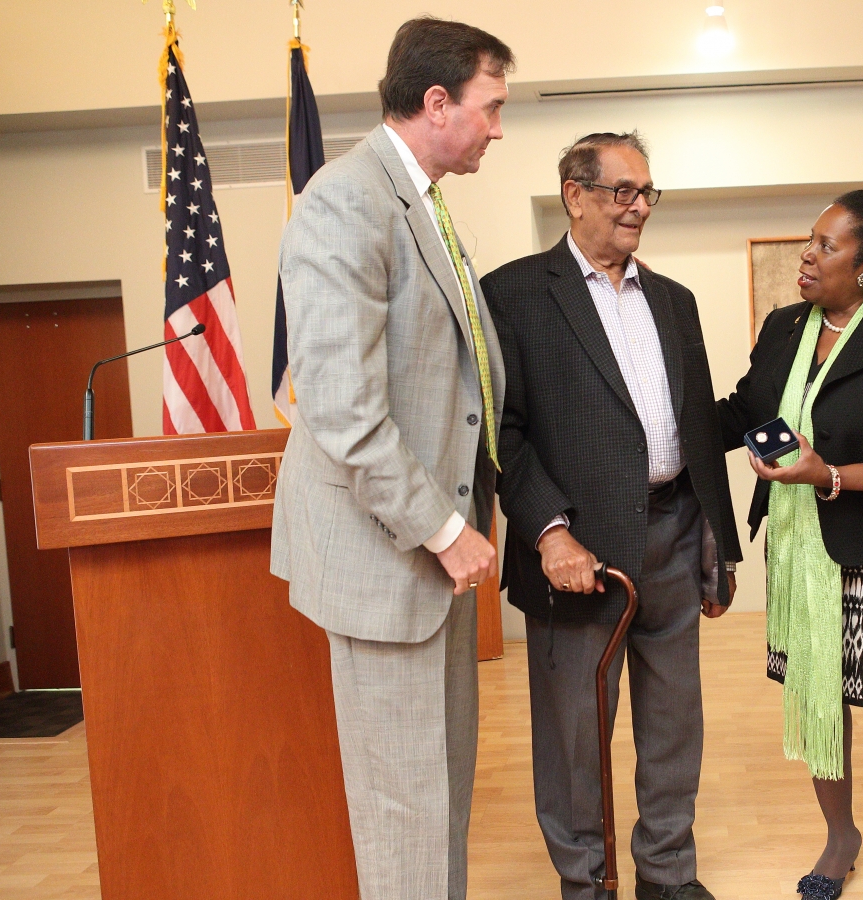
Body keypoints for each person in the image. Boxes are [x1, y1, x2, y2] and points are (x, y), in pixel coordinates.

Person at [269, 17, 512, 900]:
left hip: (429, 559)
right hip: (391, 555)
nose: (496, 127)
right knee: (401, 804)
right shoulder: (347, 199)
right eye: (491, 107)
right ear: (437, 101)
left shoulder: (422, 200)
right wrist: (447, 529)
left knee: (436, 794)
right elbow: (343, 409)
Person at [481, 132, 741, 900]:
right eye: (623, 191)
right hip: (579, 557)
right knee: (575, 744)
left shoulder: (673, 300)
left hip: (671, 539)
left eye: (646, 193)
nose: (638, 208)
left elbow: (692, 428)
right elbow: (503, 432)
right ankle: (586, 883)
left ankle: (667, 876)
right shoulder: (516, 294)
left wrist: (713, 540)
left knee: (674, 730)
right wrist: (550, 531)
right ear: (575, 194)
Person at [718, 186, 863, 900]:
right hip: (799, 546)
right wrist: (657, 432)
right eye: (809, 239)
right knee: (819, 691)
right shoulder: (785, 325)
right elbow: (740, 411)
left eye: (827, 245)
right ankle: (841, 837)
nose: (807, 253)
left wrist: (829, 475)